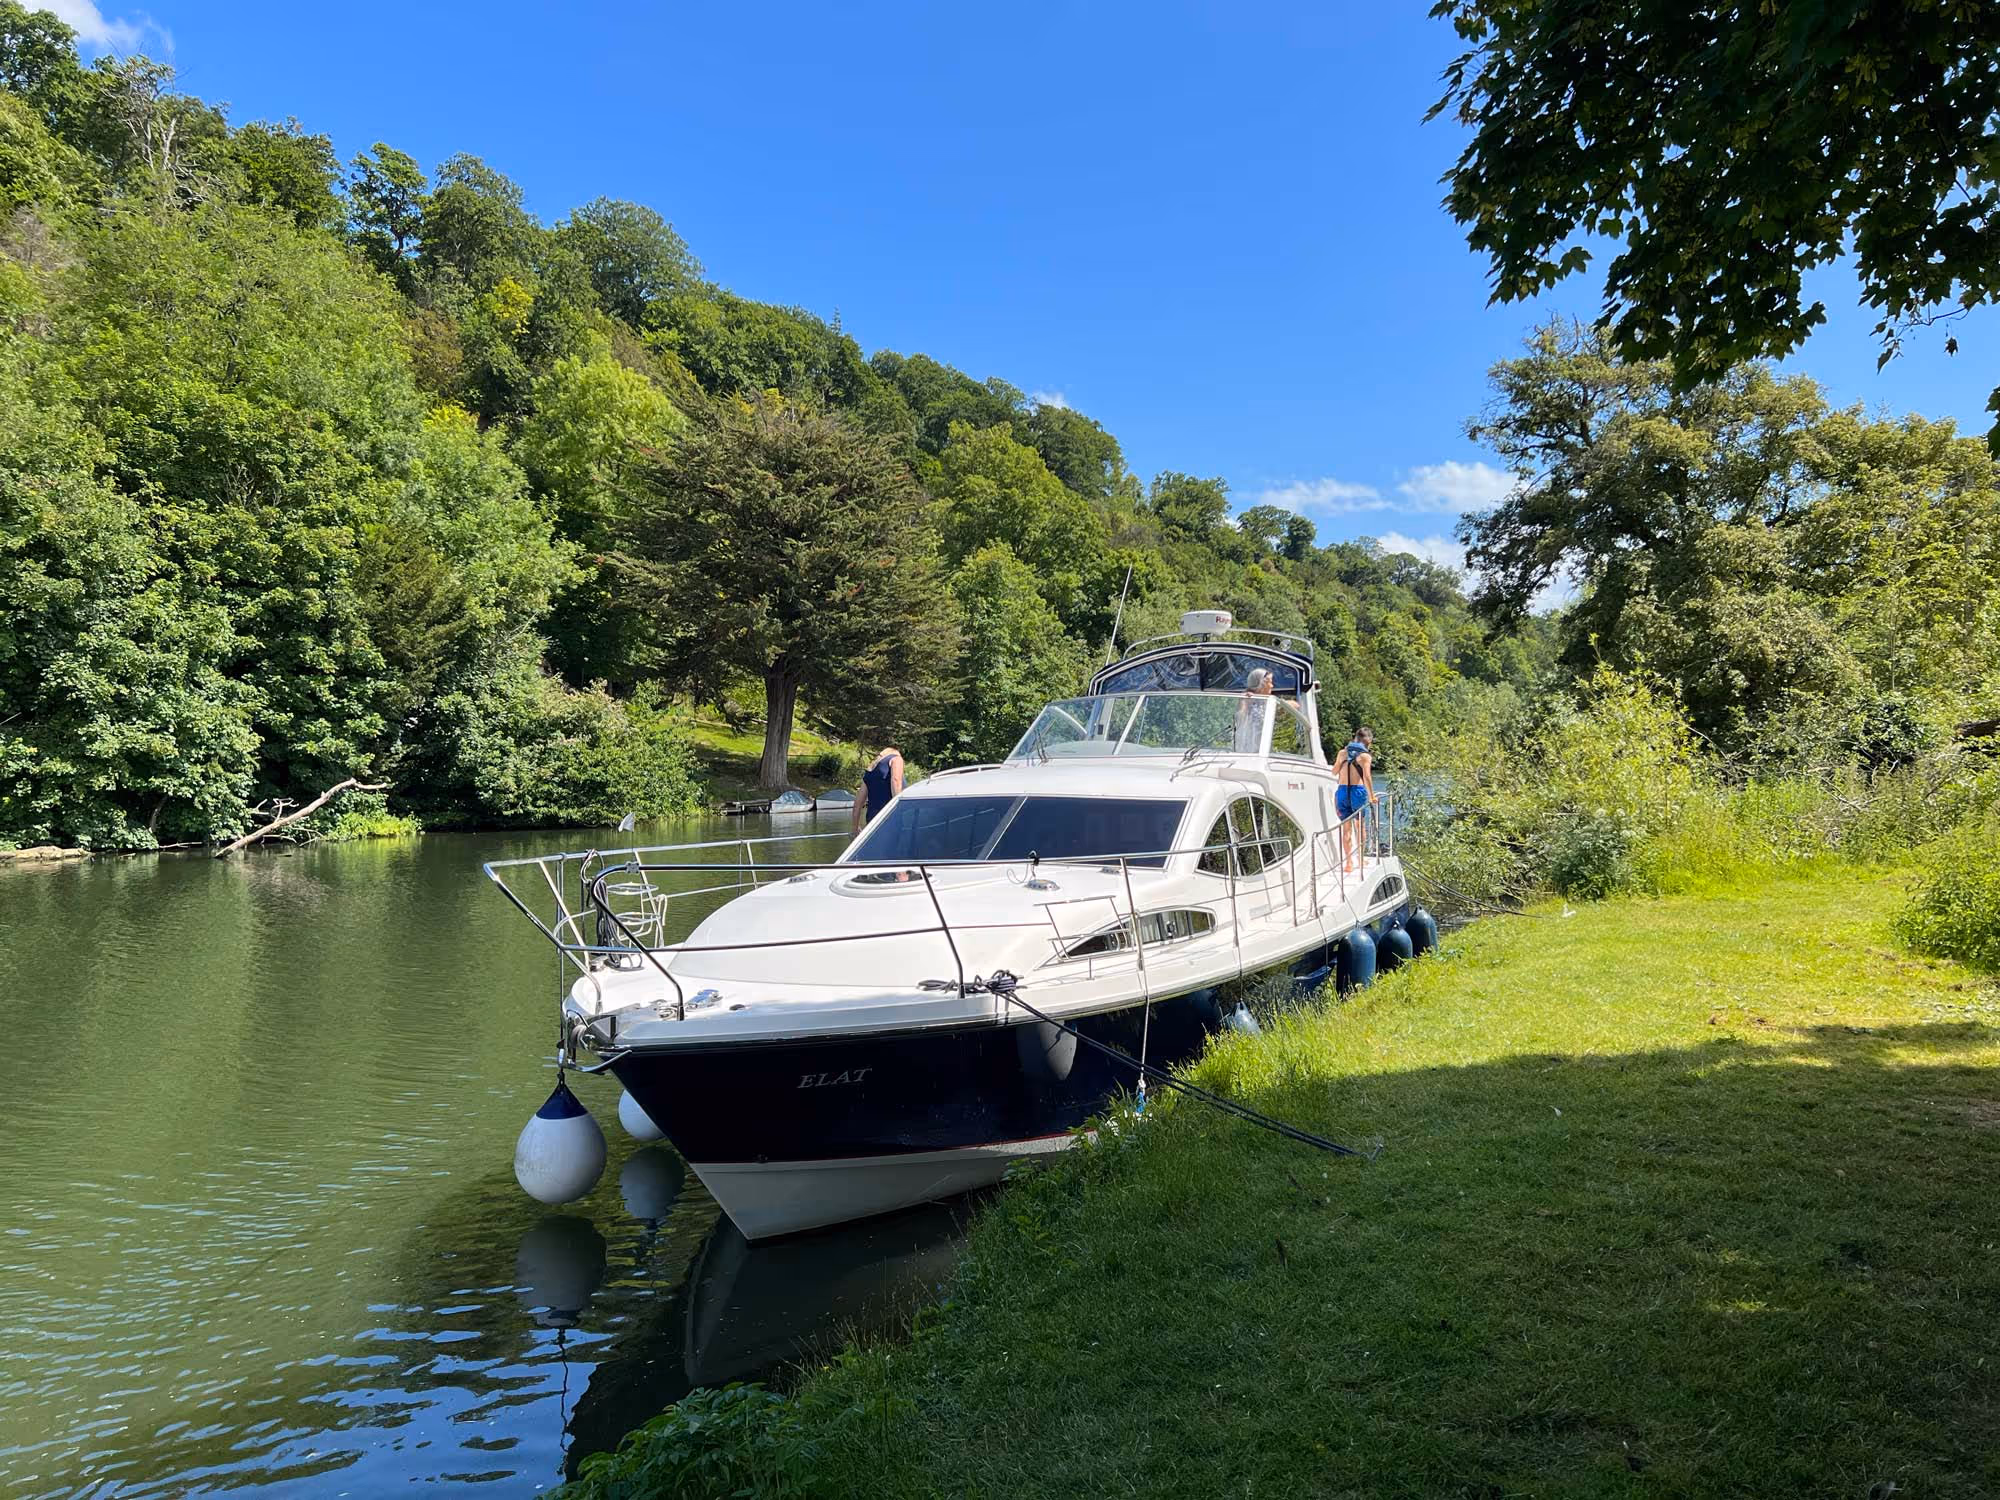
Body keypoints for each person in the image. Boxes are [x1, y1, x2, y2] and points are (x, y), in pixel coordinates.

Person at [1331, 726, 1375, 871]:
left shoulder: (1342, 753)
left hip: (1342, 792)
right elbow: (1367, 777)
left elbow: (1334, 772)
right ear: (1368, 741)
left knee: (1346, 829)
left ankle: (1349, 863)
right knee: (1360, 826)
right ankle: (1361, 860)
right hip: (1358, 792)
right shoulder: (1365, 756)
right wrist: (1372, 796)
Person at [854, 746, 904, 833]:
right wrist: (899, 811)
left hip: (872, 821)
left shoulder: (870, 771)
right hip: (889, 819)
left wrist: (855, 829)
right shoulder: (896, 759)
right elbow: (896, 781)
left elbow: (857, 805)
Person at [1232, 669, 1275, 753]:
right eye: (1269, 682)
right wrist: (1247, 701)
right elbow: (1240, 718)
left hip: (1263, 749)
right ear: (1261, 684)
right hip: (1247, 750)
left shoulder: (1270, 702)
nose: (1272, 686)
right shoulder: (1246, 699)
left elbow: (1295, 705)